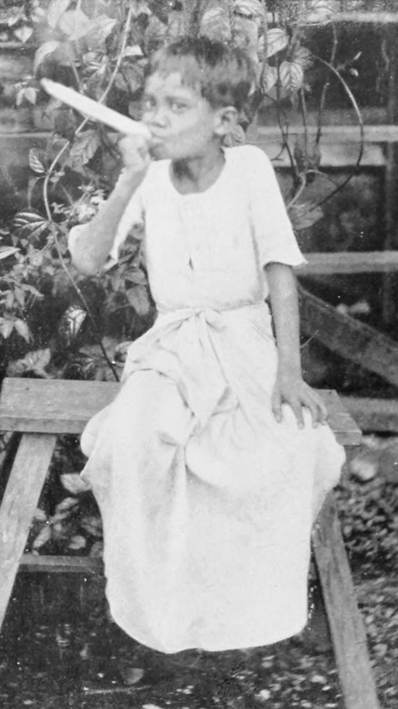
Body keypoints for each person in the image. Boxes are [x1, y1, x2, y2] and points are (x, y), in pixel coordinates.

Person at [68, 37, 346, 655]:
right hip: (171, 350)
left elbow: (279, 269)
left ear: (223, 121)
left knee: (284, 452)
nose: (156, 119)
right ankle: (161, 616)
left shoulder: (248, 169)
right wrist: (127, 181)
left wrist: (290, 372)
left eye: (176, 107)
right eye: (150, 105)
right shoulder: (148, 177)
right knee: (134, 439)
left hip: (245, 345)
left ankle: (239, 617)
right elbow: (87, 259)